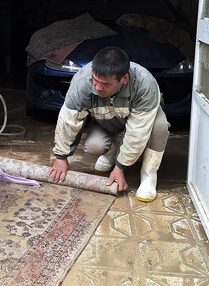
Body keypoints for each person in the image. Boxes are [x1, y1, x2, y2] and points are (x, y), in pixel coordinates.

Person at [48, 46, 169, 203]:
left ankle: (148, 175)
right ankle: (112, 150)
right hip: (107, 122)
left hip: (138, 122)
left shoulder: (144, 83)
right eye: (96, 81)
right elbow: (68, 120)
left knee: (160, 126)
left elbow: (137, 132)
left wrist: (120, 167)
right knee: (94, 146)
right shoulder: (82, 82)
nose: (97, 88)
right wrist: (61, 156)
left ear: (124, 79)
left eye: (105, 84)